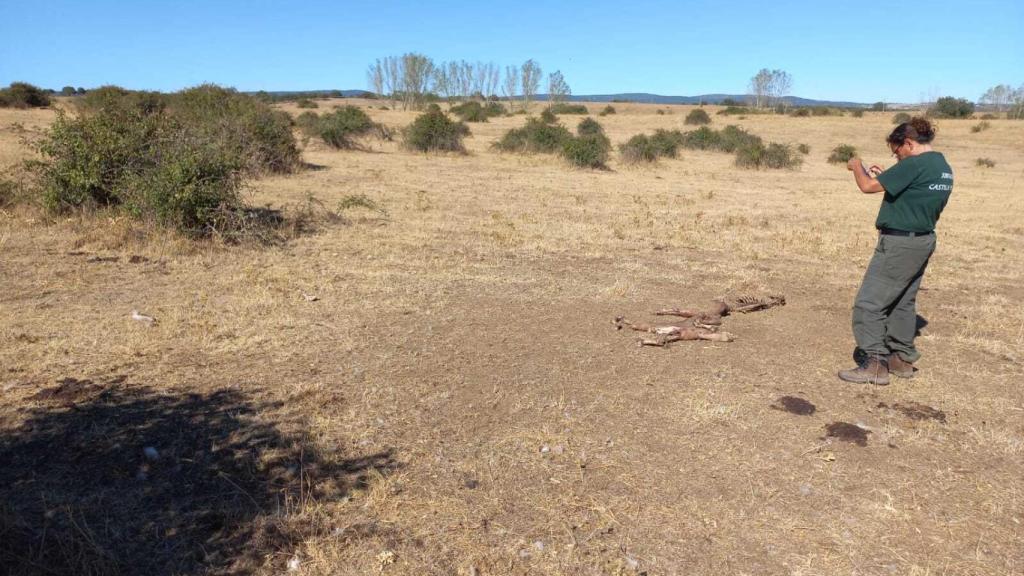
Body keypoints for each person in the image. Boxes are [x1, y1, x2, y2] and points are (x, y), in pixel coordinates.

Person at [838, 117, 953, 385]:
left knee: (869, 303)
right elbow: (914, 191)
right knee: (903, 302)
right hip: (922, 240)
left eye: (897, 150)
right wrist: (888, 174)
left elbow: (867, 187)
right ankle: (900, 359)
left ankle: (875, 363)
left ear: (909, 143)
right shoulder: (941, 165)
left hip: (899, 244)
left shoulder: (913, 165)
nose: (896, 155)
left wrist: (857, 167)